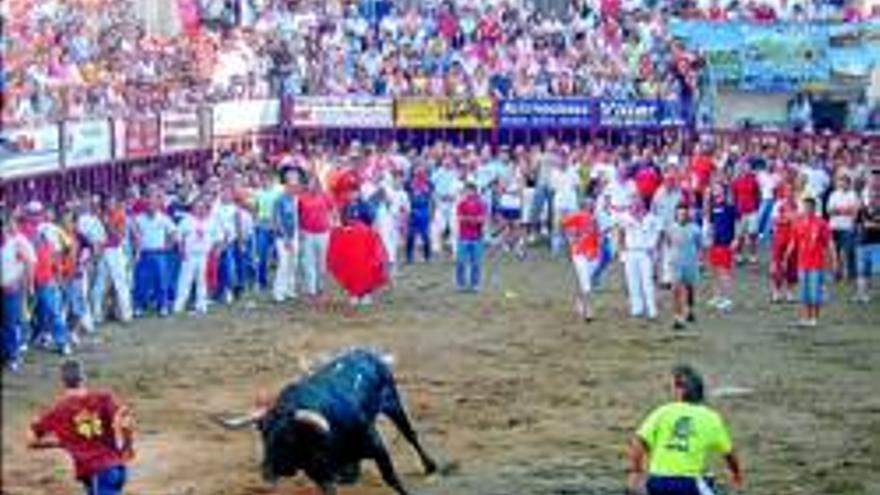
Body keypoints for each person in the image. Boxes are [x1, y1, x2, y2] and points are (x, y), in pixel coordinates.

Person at [628, 365, 744, 495]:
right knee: (707, 480)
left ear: (680, 391)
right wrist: (736, 474)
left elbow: (638, 442)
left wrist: (636, 471)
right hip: (689, 483)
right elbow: (729, 454)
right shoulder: (711, 417)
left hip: (657, 482)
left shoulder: (662, 412)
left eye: (671, 387)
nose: (670, 391)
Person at [28, 359, 134, 495]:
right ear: (83, 378)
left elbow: (31, 440)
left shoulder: (59, 411)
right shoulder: (104, 398)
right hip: (117, 468)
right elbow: (126, 423)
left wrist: (60, 443)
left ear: (62, 381)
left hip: (97, 472)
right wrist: (127, 445)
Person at [787, 197, 836, 327]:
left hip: (817, 263)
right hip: (802, 263)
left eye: (809, 207)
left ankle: (814, 318)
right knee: (804, 292)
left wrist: (833, 259)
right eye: (805, 207)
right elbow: (793, 241)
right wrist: (787, 255)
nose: (807, 209)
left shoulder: (821, 223)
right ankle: (805, 317)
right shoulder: (798, 222)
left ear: (814, 208)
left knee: (815, 292)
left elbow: (829, 243)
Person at [2, 211, 36, 372]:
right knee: (6, 323)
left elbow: (29, 264)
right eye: (5, 224)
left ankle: (14, 357)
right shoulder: (6, 242)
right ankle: (8, 354)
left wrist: (24, 284)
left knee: (11, 323)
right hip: (4, 288)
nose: (7, 227)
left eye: (9, 223)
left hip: (11, 289)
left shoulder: (18, 242)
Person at [174, 199, 218, 315]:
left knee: (202, 281)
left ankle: (201, 305)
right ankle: (179, 305)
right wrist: (181, 250)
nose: (200, 210)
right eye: (197, 207)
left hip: (204, 255)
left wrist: (215, 250)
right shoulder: (186, 221)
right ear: (193, 208)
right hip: (189, 254)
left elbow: (217, 238)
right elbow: (178, 236)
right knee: (185, 280)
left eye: (202, 207)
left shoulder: (210, 222)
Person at [620, 201, 662, 320]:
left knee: (647, 282)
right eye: (632, 206)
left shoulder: (652, 219)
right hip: (630, 252)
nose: (634, 208)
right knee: (632, 281)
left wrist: (654, 249)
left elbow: (659, 234)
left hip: (645, 252)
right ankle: (637, 308)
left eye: (637, 206)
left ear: (643, 207)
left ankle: (652, 309)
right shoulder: (625, 218)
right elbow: (621, 234)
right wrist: (622, 252)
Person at [562, 199, 601, 321]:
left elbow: (597, 236)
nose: (591, 206)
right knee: (585, 281)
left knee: (585, 280)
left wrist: (597, 249)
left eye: (592, 204)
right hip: (579, 253)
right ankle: (589, 309)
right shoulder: (577, 216)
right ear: (583, 206)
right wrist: (572, 237)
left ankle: (578, 300)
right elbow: (563, 224)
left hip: (593, 254)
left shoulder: (595, 219)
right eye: (589, 204)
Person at [298, 173, 336, 301]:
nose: (312, 185)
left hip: (323, 233)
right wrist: (300, 230)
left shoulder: (325, 196)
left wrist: (335, 224)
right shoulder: (302, 198)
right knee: (309, 263)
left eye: (314, 182)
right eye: (310, 182)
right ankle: (311, 291)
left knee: (322, 263)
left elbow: (333, 210)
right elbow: (297, 215)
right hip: (308, 233)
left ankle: (321, 289)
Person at [667, 205, 703, 330]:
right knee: (675, 290)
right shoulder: (671, 228)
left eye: (684, 214)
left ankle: (690, 309)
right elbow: (668, 242)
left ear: (688, 215)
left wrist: (699, 260)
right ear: (676, 215)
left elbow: (699, 245)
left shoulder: (695, 229)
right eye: (679, 214)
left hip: (690, 262)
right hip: (676, 263)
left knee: (689, 288)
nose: (682, 216)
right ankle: (677, 318)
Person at [706, 185, 737, 312]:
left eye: (718, 190)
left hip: (726, 243)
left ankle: (727, 299)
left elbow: (738, 222)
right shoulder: (713, 207)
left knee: (724, 272)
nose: (716, 192)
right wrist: (709, 236)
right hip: (715, 243)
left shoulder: (730, 206)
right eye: (714, 190)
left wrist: (736, 239)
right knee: (714, 271)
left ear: (724, 191)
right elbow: (711, 224)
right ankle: (717, 296)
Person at [272, 169, 300, 303]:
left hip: (294, 235)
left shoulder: (295, 199)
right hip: (282, 237)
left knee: (293, 264)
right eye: (292, 186)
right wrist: (286, 238)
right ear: (286, 185)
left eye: (296, 186)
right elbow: (277, 220)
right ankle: (279, 292)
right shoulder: (279, 200)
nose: (295, 188)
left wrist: (295, 235)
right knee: (283, 263)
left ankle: (290, 289)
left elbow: (296, 218)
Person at [826, 175, 860, 281]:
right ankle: (836, 274)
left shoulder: (853, 194)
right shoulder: (833, 195)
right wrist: (845, 210)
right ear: (838, 183)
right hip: (834, 227)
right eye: (841, 181)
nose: (842, 184)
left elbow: (855, 211)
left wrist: (838, 210)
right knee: (834, 252)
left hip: (848, 227)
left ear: (848, 183)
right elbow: (829, 211)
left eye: (845, 182)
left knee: (849, 251)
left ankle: (851, 274)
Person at [455, 183, 488, 293]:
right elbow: (460, 218)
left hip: (477, 237)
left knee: (476, 262)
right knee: (461, 261)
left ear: (475, 191)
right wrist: (474, 220)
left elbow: (482, 219)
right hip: (463, 236)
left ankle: (475, 284)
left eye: (471, 190)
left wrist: (470, 219)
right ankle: (460, 284)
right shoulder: (461, 204)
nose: (469, 193)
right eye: (467, 191)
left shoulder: (481, 204)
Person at [769, 187, 799, 303]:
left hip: (793, 238)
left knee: (792, 265)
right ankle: (776, 292)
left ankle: (790, 293)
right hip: (780, 238)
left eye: (791, 191)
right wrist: (786, 219)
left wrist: (790, 218)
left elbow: (799, 219)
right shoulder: (778, 204)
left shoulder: (798, 204)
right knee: (778, 265)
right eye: (787, 191)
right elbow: (774, 220)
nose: (789, 193)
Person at [855, 172, 880, 303]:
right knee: (862, 271)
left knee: (876, 271)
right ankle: (861, 294)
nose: (872, 198)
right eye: (870, 196)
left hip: (877, 243)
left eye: (875, 197)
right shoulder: (862, 209)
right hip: (862, 242)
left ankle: (869, 293)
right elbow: (857, 223)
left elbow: (868, 225)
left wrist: (873, 225)